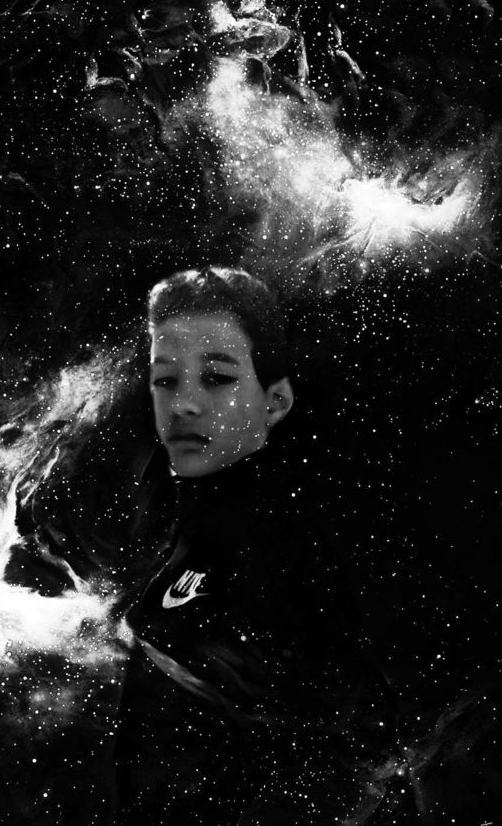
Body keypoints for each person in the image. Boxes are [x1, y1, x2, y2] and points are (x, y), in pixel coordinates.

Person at [115, 266, 394, 825]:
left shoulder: (282, 548)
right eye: (166, 380)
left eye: (216, 377)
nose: (184, 404)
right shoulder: (180, 526)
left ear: (276, 400)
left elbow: (351, 749)